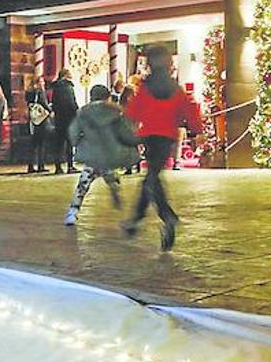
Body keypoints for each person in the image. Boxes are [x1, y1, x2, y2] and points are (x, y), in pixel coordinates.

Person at [123, 46, 203, 250]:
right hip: (166, 137)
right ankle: (139, 217)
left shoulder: (145, 87)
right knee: (152, 176)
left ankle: (160, 216)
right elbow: (189, 110)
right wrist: (197, 130)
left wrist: (127, 129)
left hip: (149, 136)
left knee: (151, 176)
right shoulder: (176, 89)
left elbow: (133, 111)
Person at [64, 85, 140, 226]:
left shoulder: (83, 113)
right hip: (109, 154)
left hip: (92, 155)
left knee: (83, 184)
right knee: (111, 176)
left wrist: (78, 144)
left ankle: (73, 212)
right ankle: (117, 197)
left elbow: (73, 132)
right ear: (107, 96)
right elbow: (125, 132)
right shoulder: (116, 113)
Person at [49, 68, 79, 174]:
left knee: (59, 144)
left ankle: (58, 167)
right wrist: (76, 113)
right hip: (69, 119)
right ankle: (70, 166)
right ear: (66, 75)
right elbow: (71, 102)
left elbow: (54, 103)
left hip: (59, 118)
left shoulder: (56, 87)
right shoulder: (68, 87)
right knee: (70, 143)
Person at [25, 77, 51, 173]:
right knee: (41, 144)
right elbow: (44, 104)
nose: (43, 83)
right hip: (41, 120)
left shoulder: (29, 93)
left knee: (33, 144)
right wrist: (50, 110)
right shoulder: (40, 92)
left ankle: (31, 165)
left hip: (33, 120)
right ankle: (41, 165)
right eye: (41, 81)